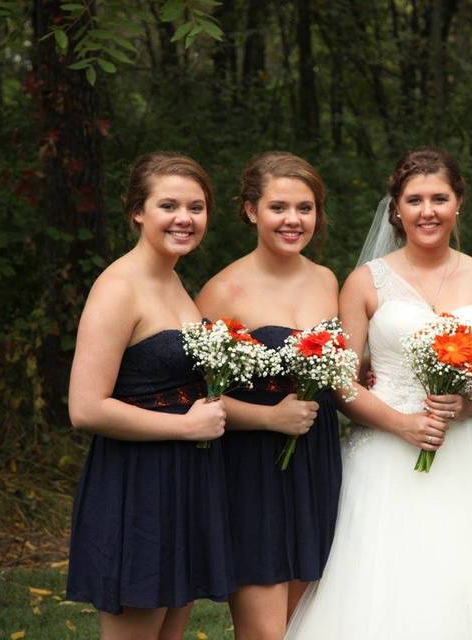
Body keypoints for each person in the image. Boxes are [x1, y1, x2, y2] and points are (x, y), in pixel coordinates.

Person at [285, 147, 472, 639]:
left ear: (458, 202)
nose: (427, 211)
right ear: (396, 208)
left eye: (439, 198)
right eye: (414, 199)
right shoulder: (363, 283)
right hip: (384, 455)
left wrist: (465, 404)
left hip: (468, 455)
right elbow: (341, 379)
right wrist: (401, 423)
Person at [66, 152, 233, 640]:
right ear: (138, 211)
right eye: (169, 205)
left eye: (196, 207)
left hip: (184, 478)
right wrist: (185, 426)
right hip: (136, 483)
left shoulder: (174, 279)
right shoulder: (118, 287)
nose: (184, 218)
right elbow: (86, 407)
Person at [195, 152, 341, 640]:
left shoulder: (326, 280)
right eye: (280, 207)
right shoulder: (222, 292)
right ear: (252, 210)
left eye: (305, 208)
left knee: (308, 623)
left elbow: (339, 371)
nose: (293, 220)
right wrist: (269, 419)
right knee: (264, 632)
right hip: (254, 468)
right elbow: (194, 401)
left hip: (315, 459)